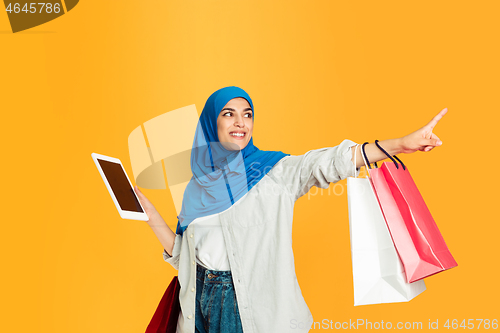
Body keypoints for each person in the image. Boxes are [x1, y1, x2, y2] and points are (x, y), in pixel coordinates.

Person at [134, 86, 447, 333]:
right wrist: (149, 213)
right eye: (228, 114)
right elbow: (184, 259)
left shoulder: (275, 171)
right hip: (196, 306)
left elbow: (327, 163)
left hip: (247, 311)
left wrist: (399, 145)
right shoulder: (197, 187)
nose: (240, 121)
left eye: (247, 113)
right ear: (211, 122)